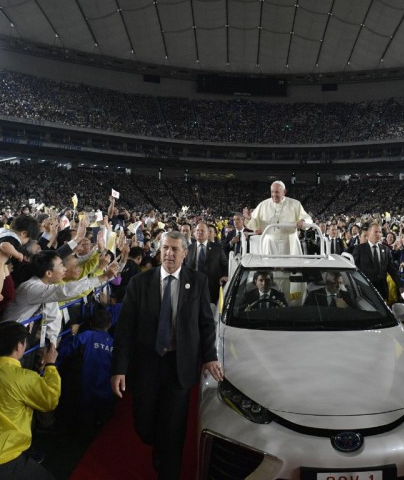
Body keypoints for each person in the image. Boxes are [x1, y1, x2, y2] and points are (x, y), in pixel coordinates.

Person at [111, 230, 223, 479]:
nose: (169, 253)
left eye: (174, 249)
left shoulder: (198, 281)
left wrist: (210, 356)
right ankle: (158, 444)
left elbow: (206, 323)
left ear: (185, 253)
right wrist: (119, 369)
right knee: (145, 425)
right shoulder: (140, 283)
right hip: (146, 365)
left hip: (179, 365)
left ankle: (169, 469)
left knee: (174, 427)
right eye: (165, 248)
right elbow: (125, 329)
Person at [0, 321, 60, 479]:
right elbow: (50, 400)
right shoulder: (25, 378)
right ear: (19, 346)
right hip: (6, 461)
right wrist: (50, 366)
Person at [243, 181, 312, 255]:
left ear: (284, 192)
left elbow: (308, 219)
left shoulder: (295, 204)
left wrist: (303, 220)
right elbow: (254, 224)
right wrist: (249, 218)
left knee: (290, 262)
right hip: (269, 243)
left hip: (289, 243)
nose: (274, 195)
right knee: (269, 262)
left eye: (277, 192)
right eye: (272, 192)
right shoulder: (263, 205)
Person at [352, 222, 402, 302]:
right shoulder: (359, 249)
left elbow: (392, 270)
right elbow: (354, 270)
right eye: (375, 232)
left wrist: (400, 286)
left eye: (380, 232)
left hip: (382, 291)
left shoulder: (386, 250)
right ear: (369, 233)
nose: (378, 234)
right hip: (366, 291)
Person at [184, 222, 228, 306]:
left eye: (202, 230)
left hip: (212, 287)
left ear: (208, 233)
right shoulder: (189, 248)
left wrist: (225, 275)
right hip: (193, 287)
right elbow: (185, 266)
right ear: (194, 233)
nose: (199, 232)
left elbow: (225, 264)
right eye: (197, 230)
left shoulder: (217, 248)